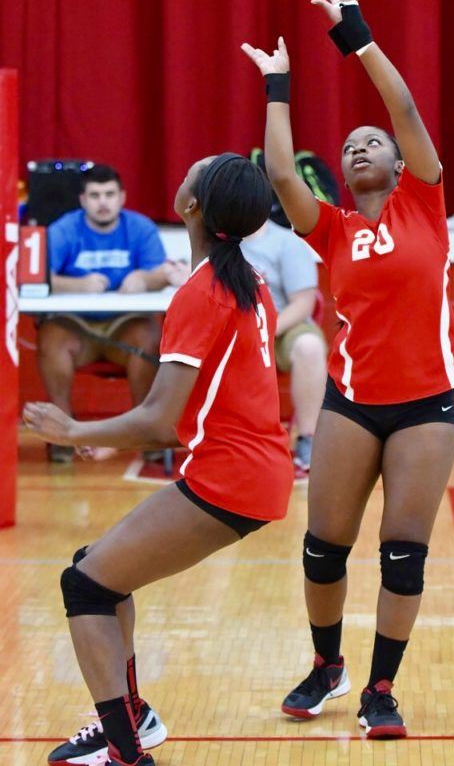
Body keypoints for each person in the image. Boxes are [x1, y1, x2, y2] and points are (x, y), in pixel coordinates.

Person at [242, 0, 454, 740]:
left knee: (403, 554)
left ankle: (381, 687)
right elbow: (279, 173)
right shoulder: (330, 228)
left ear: (402, 164)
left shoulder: (424, 203)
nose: (362, 145)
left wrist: (356, 36)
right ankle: (326, 663)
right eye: (350, 145)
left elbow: (402, 107)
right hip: (352, 399)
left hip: (425, 406)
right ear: (341, 172)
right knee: (322, 549)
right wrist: (279, 85)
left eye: (372, 142)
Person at [23, 153, 294, 766]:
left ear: (192, 205)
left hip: (231, 477)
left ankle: (124, 751)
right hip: (247, 468)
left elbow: (157, 420)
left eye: (192, 172)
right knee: (98, 567)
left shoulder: (203, 293)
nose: (182, 172)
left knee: (84, 586)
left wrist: (73, 430)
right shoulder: (246, 281)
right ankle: (135, 717)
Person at [37, 164, 168, 462]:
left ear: (122, 197)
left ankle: (144, 429)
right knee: (50, 338)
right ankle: (62, 433)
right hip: (76, 327)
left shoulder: (140, 227)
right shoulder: (63, 229)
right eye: (95, 195)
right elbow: (39, 276)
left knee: (149, 337)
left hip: (125, 326)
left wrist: (143, 279)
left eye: (109, 194)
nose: (103, 202)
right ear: (82, 200)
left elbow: (162, 273)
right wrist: (75, 285)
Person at [241, 217, 327, 472]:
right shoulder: (217, 241)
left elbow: (303, 303)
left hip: (280, 326)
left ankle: (308, 438)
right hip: (233, 328)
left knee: (309, 346)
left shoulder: (287, 243)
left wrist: (265, 330)